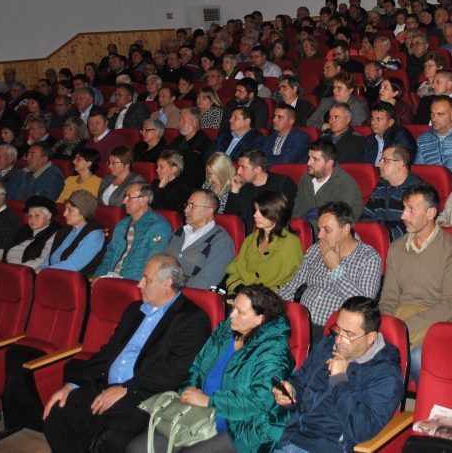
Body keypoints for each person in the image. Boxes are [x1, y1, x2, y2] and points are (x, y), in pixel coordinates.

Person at [42, 253, 211, 453]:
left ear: (167, 283)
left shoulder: (192, 319)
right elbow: (108, 352)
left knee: (107, 435)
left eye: (146, 279)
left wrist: (127, 388)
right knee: (58, 409)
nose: (139, 285)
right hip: (106, 385)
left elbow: (175, 371)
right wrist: (72, 384)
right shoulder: (135, 310)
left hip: (147, 394)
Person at [126, 284, 293, 453]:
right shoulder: (225, 331)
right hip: (197, 412)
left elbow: (260, 401)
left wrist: (208, 401)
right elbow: (196, 367)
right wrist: (188, 390)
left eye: (240, 312)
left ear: (259, 319)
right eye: (233, 307)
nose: (231, 315)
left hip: (241, 427)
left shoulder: (274, 351)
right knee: (138, 449)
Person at [273, 296, 403, 453]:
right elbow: (300, 382)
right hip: (289, 438)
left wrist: (340, 380)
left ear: (371, 338)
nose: (339, 340)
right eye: (338, 329)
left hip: (326, 447)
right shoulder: (327, 345)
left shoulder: (386, 374)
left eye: (349, 334)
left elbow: (362, 430)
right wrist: (291, 393)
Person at [380, 184, 452, 380]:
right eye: (404, 208)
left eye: (411, 209)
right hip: (401, 318)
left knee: (417, 358)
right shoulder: (396, 248)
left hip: (436, 322)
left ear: (431, 213)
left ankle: (430, 399)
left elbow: (450, 305)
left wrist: (405, 327)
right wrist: (388, 327)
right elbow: (388, 298)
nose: (403, 216)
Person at [277, 202, 382, 329]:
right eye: (319, 229)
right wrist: (273, 308)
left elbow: (364, 308)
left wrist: (335, 269)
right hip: (301, 323)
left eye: (326, 230)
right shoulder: (316, 249)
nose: (319, 235)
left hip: (335, 331)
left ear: (346, 229)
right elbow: (291, 288)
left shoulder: (368, 258)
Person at [225, 191, 303, 293]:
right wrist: (240, 289)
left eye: (261, 211)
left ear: (276, 214)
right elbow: (234, 272)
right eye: (255, 210)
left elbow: (293, 282)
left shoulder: (290, 244)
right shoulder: (251, 239)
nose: (255, 215)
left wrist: (253, 294)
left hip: (271, 298)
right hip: (241, 293)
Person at [94, 183, 171, 281]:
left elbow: (154, 265)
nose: (124, 201)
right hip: (110, 280)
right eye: (125, 196)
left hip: (133, 283)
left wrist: (126, 283)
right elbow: (109, 255)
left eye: (129, 197)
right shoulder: (122, 225)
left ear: (143, 200)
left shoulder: (159, 227)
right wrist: (98, 276)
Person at [164, 189, 235, 290]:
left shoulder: (221, 242)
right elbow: (160, 262)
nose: (186, 210)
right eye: (187, 205)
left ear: (208, 211)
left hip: (186, 296)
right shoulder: (179, 232)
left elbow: (205, 283)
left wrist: (171, 293)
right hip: (161, 290)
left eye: (192, 206)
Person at [361, 144, 425, 241]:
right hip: (377, 241)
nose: (379, 165)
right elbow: (366, 216)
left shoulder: (417, 190)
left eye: (385, 160)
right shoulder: (381, 186)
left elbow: (407, 230)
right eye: (380, 160)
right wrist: (371, 234)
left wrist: (378, 236)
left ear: (400, 164)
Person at [225, 149, 297, 234]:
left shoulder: (283, 184)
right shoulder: (243, 187)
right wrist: (234, 190)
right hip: (246, 238)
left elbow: (285, 216)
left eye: (243, 167)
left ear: (257, 169)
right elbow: (230, 219)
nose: (238, 171)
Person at [292, 140, 365, 222]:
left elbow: (335, 222)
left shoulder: (345, 184)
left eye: (315, 159)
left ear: (329, 163)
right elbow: (298, 210)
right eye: (309, 158)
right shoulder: (306, 178)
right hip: (306, 226)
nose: (309, 163)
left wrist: (305, 227)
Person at [40, 190, 106, 274]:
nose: (64, 214)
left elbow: (72, 265)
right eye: (66, 209)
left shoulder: (95, 235)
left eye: (70, 210)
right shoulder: (66, 229)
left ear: (83, 212)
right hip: (52, 273)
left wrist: (43, 271)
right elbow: (50, 257)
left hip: (72, 278)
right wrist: (40, 269)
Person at [415, 96, 452, 188]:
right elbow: (419, 171)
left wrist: (448, 186)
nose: (434, 119)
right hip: (431, 191)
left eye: (440, 114)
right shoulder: (423, 139)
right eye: (432, 114)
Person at [0, 195, 61, 268]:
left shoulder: (56, 233)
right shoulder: (25, 229)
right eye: (30, 216)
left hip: (22, 271)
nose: (32, 219)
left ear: (49, 216)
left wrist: (16, 269)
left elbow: (42, 261)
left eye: (37, 215)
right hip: (4, 267)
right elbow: (4, 248)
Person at [362, 102, 415, 166]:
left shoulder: (401, 135)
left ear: (390, 122)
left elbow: (403, 163)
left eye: (378, 119)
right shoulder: (369, 140)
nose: (373, 122)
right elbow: (365, 166)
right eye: (372, 118)